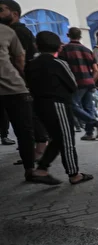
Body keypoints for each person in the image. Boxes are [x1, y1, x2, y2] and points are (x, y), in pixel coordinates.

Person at [24, 31, 93, 185]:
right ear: (58, 46)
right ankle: (74, 174)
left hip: (38, 104)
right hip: (58, 104)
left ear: (37, 45)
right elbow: (72, 85)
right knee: (66, 138)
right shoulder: (59, 63)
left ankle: (42, 169)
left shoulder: (30, 64)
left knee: (56, 138)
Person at [0, 0, 49, 157]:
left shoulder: (16, 32)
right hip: (21, 79)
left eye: (1, 10)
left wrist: (23, 79)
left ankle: (39, 148)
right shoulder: (15, 31)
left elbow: (19, 59)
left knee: (28, 116)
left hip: (22, 80)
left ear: (14, 14)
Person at [58, 27, 98, 141]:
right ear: (80, 36)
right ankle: (89, 133)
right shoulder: (87, 50)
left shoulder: (64, 49)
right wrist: (92, 80)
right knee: (88, 107)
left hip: (75, 82)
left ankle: (95, 123)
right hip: (88, 81)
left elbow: (63, 67)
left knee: (71, 105)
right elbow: (95, 69)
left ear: (68, 35)